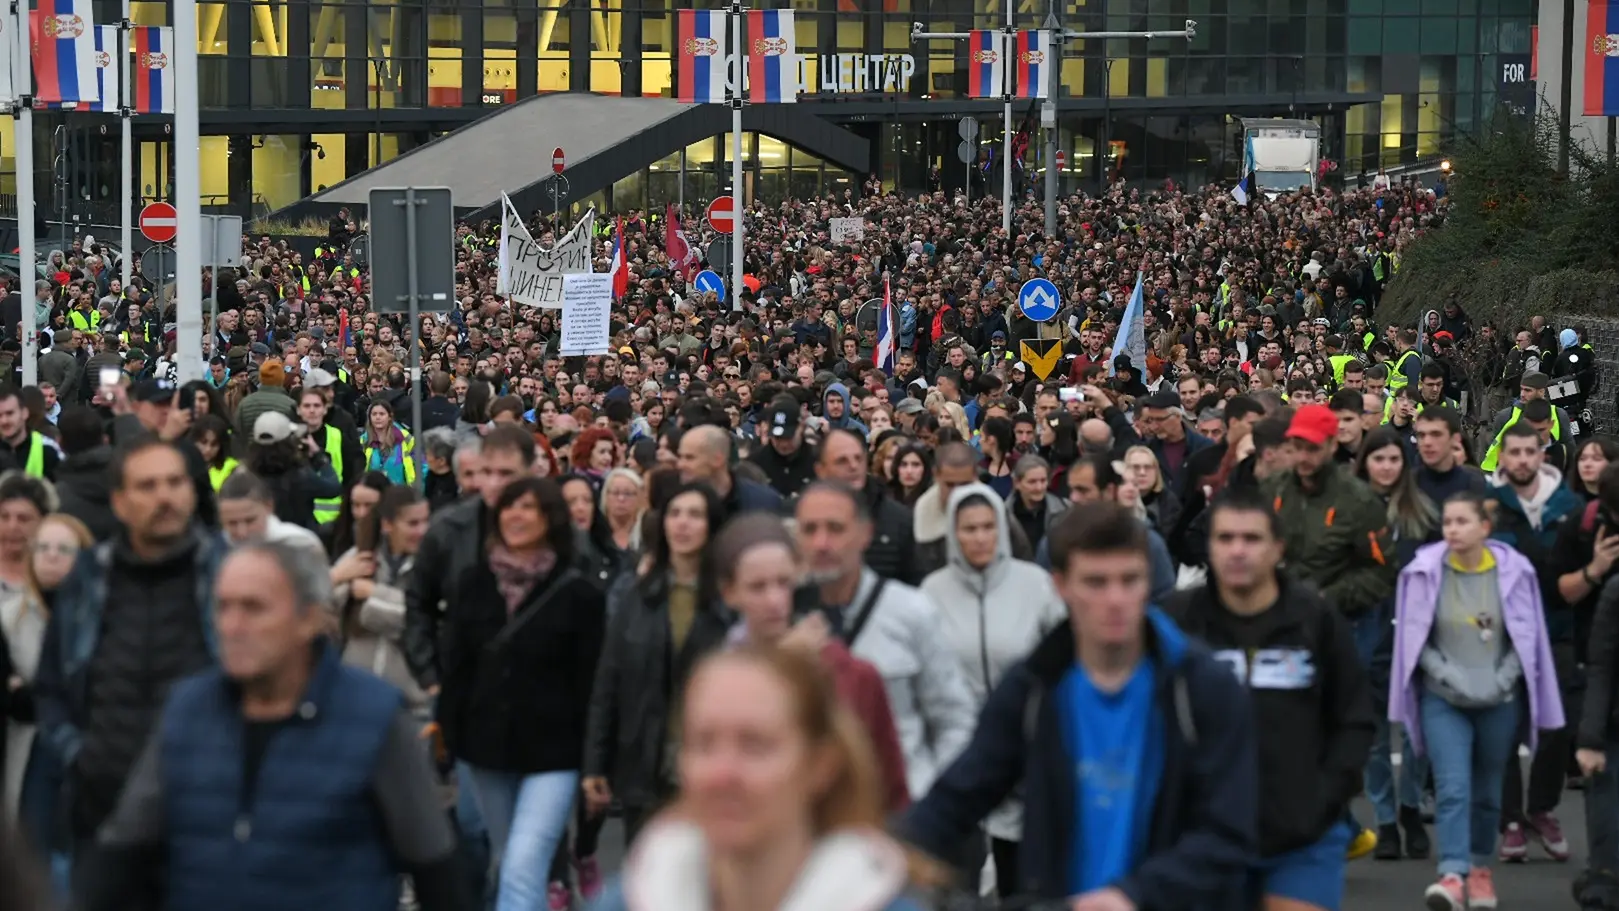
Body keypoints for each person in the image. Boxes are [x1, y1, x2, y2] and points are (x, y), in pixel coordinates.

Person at [898, 501, 1258, 906]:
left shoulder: (1202, 686)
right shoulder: (1035, 686)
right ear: (1061, 585)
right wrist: (888, 852)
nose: (1116, 599)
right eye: (1096, 582)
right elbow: (962, 791)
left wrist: (1135, 895)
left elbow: (1229, 832)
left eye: (1130, 580)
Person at [73, 541, 464, 911]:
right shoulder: (188, 711)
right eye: (223, 608)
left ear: (308, 618)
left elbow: (435, 866)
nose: (233, 625)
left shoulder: (373, 717)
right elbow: (121, 852)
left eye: (254, 608)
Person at [591, 645, 932, 911]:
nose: (722, 774)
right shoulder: (626, 901)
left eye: (755, 745)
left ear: (820, 765)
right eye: (703, 744)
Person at [1165, 490, 1374, 911]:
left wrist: (1327, 798)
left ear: (1278, 547)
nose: (1237, 551)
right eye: (1225, 539)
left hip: (1302, 836)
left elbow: (1353, 716)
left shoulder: (1315, 618)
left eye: (1251, 539)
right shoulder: (1175, 620)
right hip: (1204, 836)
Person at [34, 439, 229, 853]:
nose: (165, 497)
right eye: (148, 486)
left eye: (175, 482)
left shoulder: (230, 574)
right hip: (103, 809)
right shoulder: (88, 579)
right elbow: (52, 685)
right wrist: (79, 755)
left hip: (207, 810)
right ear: (120, 502)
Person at [1390, 493, 1566, 911]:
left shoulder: (1516, 572)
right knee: (1452, 788)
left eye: (1462, 521)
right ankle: (1452, 874)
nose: (1452, 529)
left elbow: (1526, 640)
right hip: (1444, 698)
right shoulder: (1422, 573)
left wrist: (1499, 681)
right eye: (1447, 522)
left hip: (1498, 698)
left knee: (1488, 794)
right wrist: (1451, 676)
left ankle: (1481, 870)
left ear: (1484, 528)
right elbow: (1414, 642)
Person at [436, 475, 605, 911]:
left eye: (529, 507)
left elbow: (592, 683)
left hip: (554, 753)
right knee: (509, 858)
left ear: (549, 518)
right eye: (510, 507)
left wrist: (595, 762)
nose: (516, 515)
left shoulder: (579, 593)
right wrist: (450, 737)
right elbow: (455, 666)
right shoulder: (473, 584)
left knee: (524, 863)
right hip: (485, 747)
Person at [920, 482, 1065, 896]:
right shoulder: (933, 592)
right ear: (953, 532)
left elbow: (1063, 660)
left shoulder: (1035, 585)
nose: (980, 537)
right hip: (959, 755)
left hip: (1027, 753)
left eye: (988, 527)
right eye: (969, 529)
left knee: (1021, 879)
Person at [793, 481, 976, 803]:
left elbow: (953, 717)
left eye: (835, 529)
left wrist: (931, 802)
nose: (821, 543)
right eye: (809, 530)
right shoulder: (780, 616)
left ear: (865, 534)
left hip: (899, 809)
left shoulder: (912, 612)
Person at [713, 513, 909, 812]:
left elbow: (889, 785)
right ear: (729, 592)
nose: (774, 600)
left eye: (783, 583)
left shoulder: (850, 673)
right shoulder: (714, 680)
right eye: (757, 587)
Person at [583, 482, 734, 846]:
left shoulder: (732, 600)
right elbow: (609, 680)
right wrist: (595, 764)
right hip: (645, 763)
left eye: (695, 515)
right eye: (675, 514)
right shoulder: (639, 595)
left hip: (715, 767)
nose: (682, 524)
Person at [1486, 419, 1583, 863]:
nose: (1523, 459)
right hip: (1502, 636)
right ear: (1503, 457)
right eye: (1515, 452)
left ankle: (1541, 808)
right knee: (1503, 729)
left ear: (1542, 454)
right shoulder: (1489, 506)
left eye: (1531, 451)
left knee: (1557, 727)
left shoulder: (1568, 505)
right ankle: (1510, 820)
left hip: (1557, 631)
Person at [1353, 427, 1438, 861]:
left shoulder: (1422, 512)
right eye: (1378, 459)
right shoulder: (1349, 509)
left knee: (1415, 730)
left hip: (1416, 630)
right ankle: (1385, 819)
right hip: (1366, 630)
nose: (1386, 467)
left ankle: (1409, 808)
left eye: (1394, 460)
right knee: (1374, 738)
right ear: (1365, 462)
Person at [334, 485, 431, 711]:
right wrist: (336, 579)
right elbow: (320, 613)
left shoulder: (434, 564)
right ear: (388, 525)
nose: (422, 531)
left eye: (426, 521)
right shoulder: (358, 558)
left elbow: (423, 621)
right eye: (413, 524)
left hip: (412, 703)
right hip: (355, 697)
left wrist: (373, 595)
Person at [811, 428, 920, 585]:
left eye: (858, 459)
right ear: (820, 470)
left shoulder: (899, 518)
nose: (853, 466)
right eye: (842, 460)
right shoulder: (800, 515)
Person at [217, 469, 329, 561]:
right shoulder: (214, 549)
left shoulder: (300, 545)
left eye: (250, 521)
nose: (242, 532)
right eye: (232, 523)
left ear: (269, 506)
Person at [676, 424, 781, 517]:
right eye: (680, 457)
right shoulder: (673, 499)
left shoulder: (761, 502)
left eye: (689, 458)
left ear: (718, 459)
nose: (680, 464)